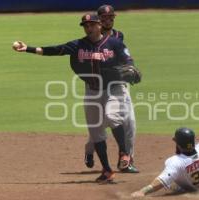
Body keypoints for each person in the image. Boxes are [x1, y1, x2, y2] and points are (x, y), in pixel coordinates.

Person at [13, 13, 141, 183]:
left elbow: (127, 59)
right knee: (96, 132)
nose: (89, 28)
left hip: (114, 88)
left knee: (112, 117)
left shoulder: (114, 43)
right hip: (92, 91)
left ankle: (124, 153)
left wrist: (131, 68)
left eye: (92, 25)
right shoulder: (79, 45)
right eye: (85, 25)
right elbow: (55, 50)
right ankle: (107, 170)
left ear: (99, 26)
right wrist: (27, 48)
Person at [131, 95, 199, 197]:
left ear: (178, 143)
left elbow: (162, 180)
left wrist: (143, 191)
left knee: (174, 176)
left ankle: (182, 188)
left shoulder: (175, 162)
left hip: (192, 190)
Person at [84, 4, 139, 173]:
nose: (109, 20)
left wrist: (130, 68)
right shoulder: (91, 38)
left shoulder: (118, 36)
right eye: (105, 18)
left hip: (118, 85)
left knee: (128, 122)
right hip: (97, 87)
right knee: (100, 125)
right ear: (98, 21)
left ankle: (126, 159)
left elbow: (121, 55)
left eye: (111, 17)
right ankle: (89, 150)